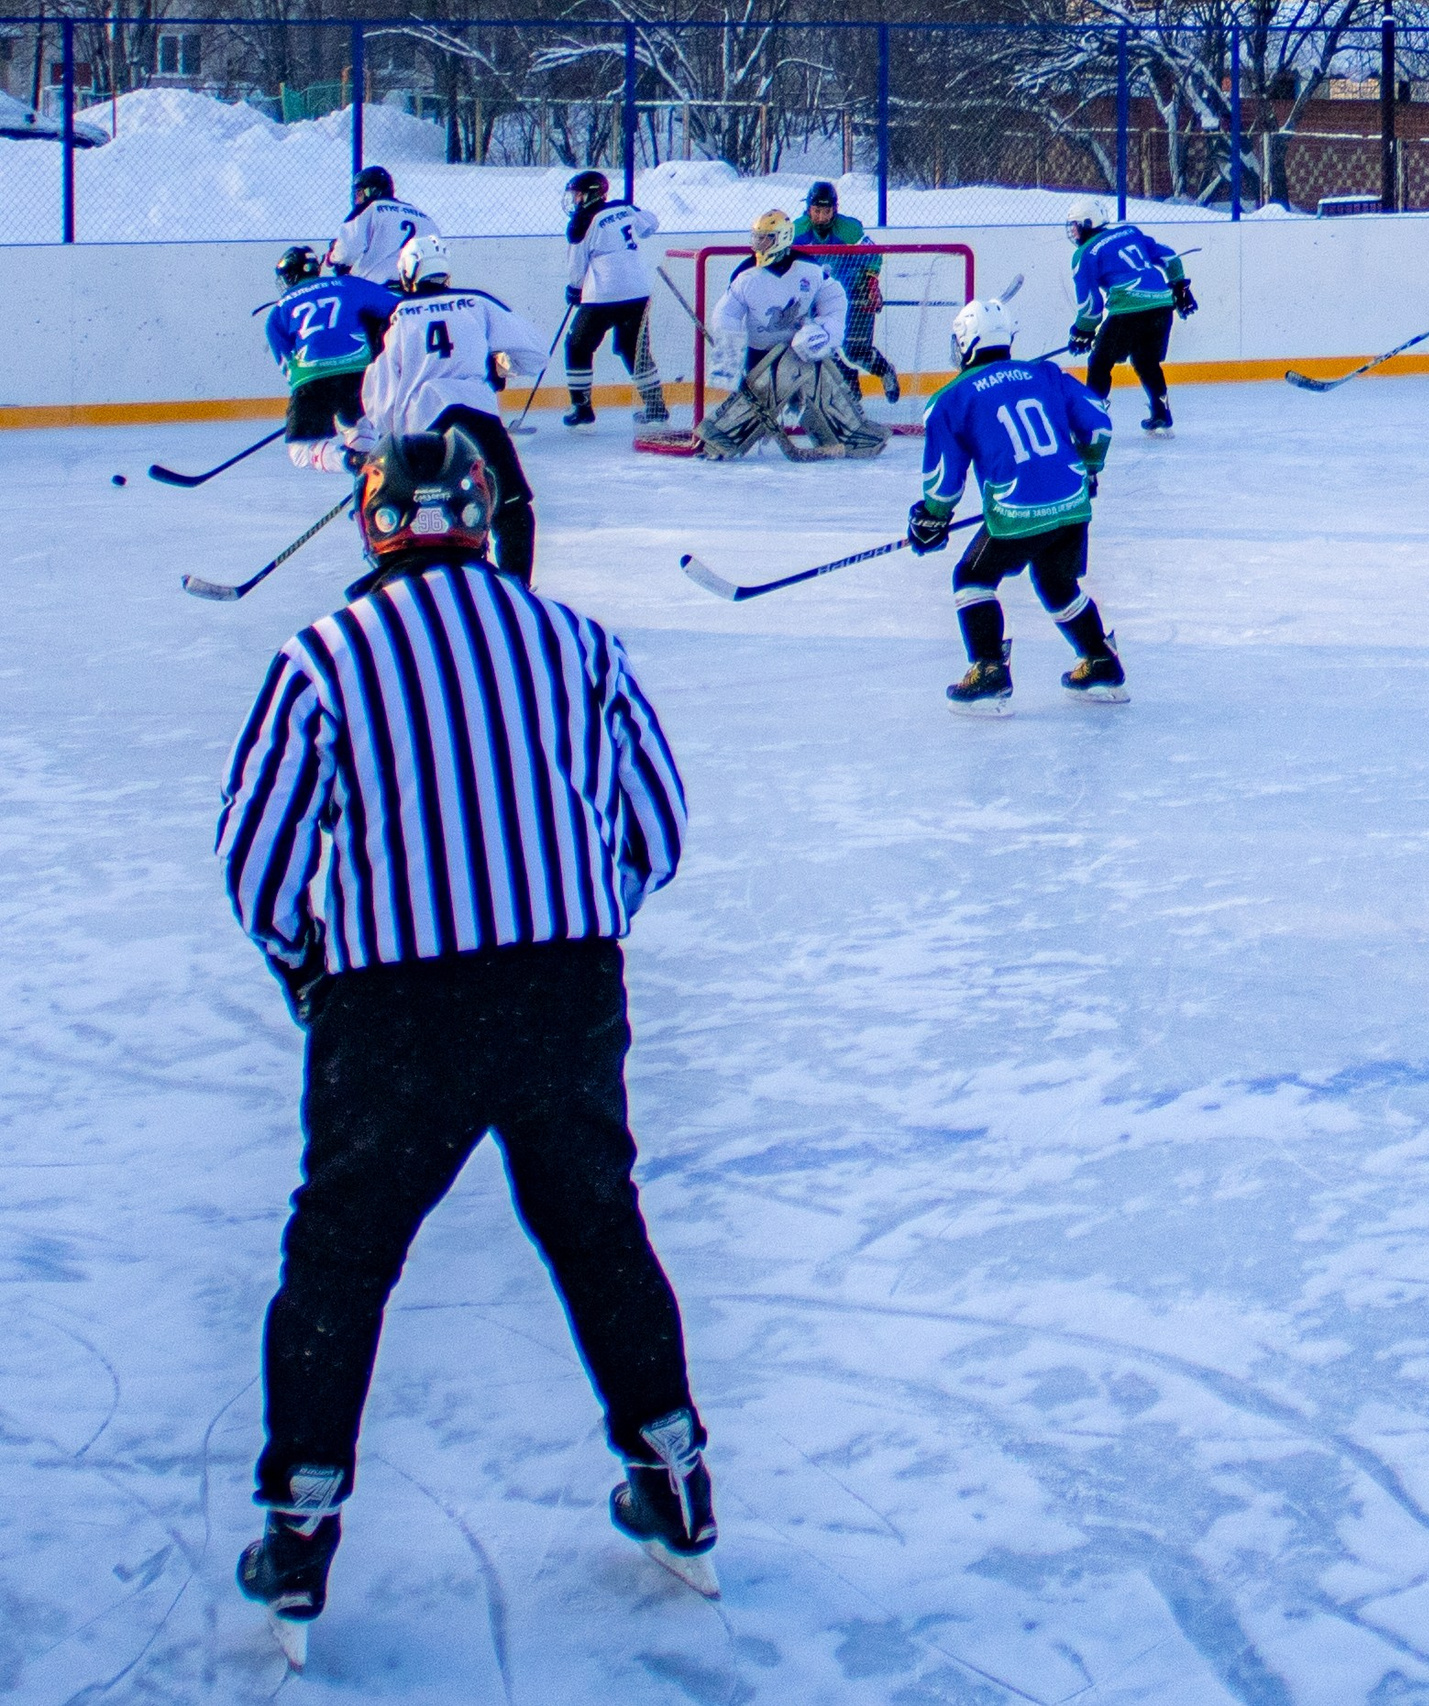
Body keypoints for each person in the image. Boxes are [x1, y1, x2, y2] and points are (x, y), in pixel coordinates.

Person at [215, 428, 716, 1669]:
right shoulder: (576, 639)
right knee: (598, 1226)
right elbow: (654, 821)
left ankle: (300, 1526)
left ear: (376, 521)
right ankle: (675, 1476)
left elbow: (259, 862)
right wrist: (566, 928)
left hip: (395, 1007)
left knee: (340, 1255)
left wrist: (310, 972)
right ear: (483, 517)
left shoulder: (324, 654)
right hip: (564, 986)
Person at [908, 297, 1124, 715]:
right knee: (1057, 585)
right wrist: (1090, 469)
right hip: (1071, 502)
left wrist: (932, 519)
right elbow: (1098, 424)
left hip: (1016, 509)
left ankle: (988, 673)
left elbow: (944, 482)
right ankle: (1100, 662)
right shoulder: (1046, 373)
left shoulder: (950, 399)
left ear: (965, 342)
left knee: (972, 577)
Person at [356, 234, 549, 581]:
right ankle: (514, 592)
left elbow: (379, 397)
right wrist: (501, 366)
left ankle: (416, 592)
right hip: (479, 417)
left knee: (417, 515)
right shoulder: (476, 303)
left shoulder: (398, 315)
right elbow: (535, 354)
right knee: (512, 506)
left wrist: (387, 441)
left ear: (409, 272)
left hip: (425, 427)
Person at [697, 210, 883, 460]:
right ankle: (724, 438)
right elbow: (726, 314)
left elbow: (834, 298)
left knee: (820, 377)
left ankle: (849, 434)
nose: (759, 244)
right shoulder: (745, 276)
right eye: (757, 238)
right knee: (759, 396)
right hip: (761, 356)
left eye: (766, 238)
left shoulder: (809, 269)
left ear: (783, 238)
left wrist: (825, 332)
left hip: (800, 352)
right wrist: (730, 349)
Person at [263, 245, 400, 471]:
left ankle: (348, 461)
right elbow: (396, 305)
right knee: (360, 428)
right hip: (358, 373)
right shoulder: (348, 284)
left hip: (312, 377)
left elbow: (290, 369)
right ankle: (367, 476)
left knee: (300, 451)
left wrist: (311, 405)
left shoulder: (278, 311)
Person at [1066, 198, 1195, 437]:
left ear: (1087, 223)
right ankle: (1161, 413)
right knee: (1146, 361)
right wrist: (1179, 287)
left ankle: (1093, 418)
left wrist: (1083, 330)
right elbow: (1170, 258)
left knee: (1099, 363)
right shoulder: (1129, 232)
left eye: (1075, 226)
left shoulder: (1084, 254)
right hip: (1161, 306)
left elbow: (1090, 303)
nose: (1073, 232)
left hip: (1128, 310)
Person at [560, 168, 669, 430]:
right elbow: (651, 224)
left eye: (577, 195)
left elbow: (577, 265)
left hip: (604, 295)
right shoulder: (624, 208)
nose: (575, 200)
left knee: (577, 345)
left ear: (590, 195)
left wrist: (574, 289)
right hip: (638, 291)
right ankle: (656, 407)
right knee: (635, 349)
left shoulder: (582, 222)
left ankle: (582, 408)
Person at [794, 181, 901, 403]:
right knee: (817, 345)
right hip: (819, 302)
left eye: (827, 211)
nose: (822, 217)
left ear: (835, 209)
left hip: (854, 295)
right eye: (817, 211)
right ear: (808, 209)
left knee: (855, 350)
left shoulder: (850, 229)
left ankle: (884, 371)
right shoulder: (797, 231)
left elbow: (873, 254)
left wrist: (871, 285)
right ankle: (850, 384)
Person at [327, 165, 442, 287]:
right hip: (418, 288)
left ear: (371, 191)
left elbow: (347, 251)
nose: (357, 200)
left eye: (359, 193)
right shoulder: (423, 216)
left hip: (377, 288)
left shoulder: (369, 209)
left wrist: (332, 257)